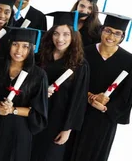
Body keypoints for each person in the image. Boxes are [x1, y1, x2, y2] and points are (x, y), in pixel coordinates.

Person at [70, 12, 132, 161]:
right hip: (78, 112)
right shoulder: (84, 53)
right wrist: (89, 97)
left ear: (122, 37)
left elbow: (127, 95)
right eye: (108, 30)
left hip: (103, 119)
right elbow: (72, 82)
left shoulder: (130, 61)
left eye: (117, 33)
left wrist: (105, 107)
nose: (111, 36)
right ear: (101, 30)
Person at [0, 27, 48, 161]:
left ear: (32, 49)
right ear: (9, 44)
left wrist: (12, 110)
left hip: (19, 131)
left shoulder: (38, 75)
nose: (19, 51)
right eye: (15, 44)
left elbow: (38, 113)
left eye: (25, 46)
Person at [31, 12, 90, 161]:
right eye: (56, 33)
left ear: (73, 36)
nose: (60, 39)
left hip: (57, 121)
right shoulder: (39, 57)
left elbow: (78, 99)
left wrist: (67, 128)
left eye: (66, 34)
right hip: (34, 116)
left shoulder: (80, 65)